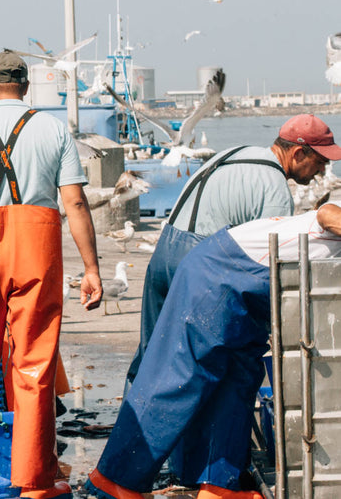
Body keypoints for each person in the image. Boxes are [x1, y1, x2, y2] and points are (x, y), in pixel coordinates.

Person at [87, 203, 341, 499]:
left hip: (250, 293)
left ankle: (218, 486)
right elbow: (326, 213)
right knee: (180, 377)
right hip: (220, 269)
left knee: (237, 381)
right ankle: (113, 478)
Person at [0, 51, 103, 499]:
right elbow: (74, 202)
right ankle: (34, 481)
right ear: (26, 86)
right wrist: (91, 268)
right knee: (35, 364)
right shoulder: (52, 128)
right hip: (36, 245)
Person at [126, 113, 338, 386]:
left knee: (151, 352)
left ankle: (132, 411)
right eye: (319, 162)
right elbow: (268, 267)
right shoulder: (274, 188)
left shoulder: (235, 153)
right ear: (298, 153)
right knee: (203, 365)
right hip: (201, 264)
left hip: (164, 253)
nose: (321, 171)